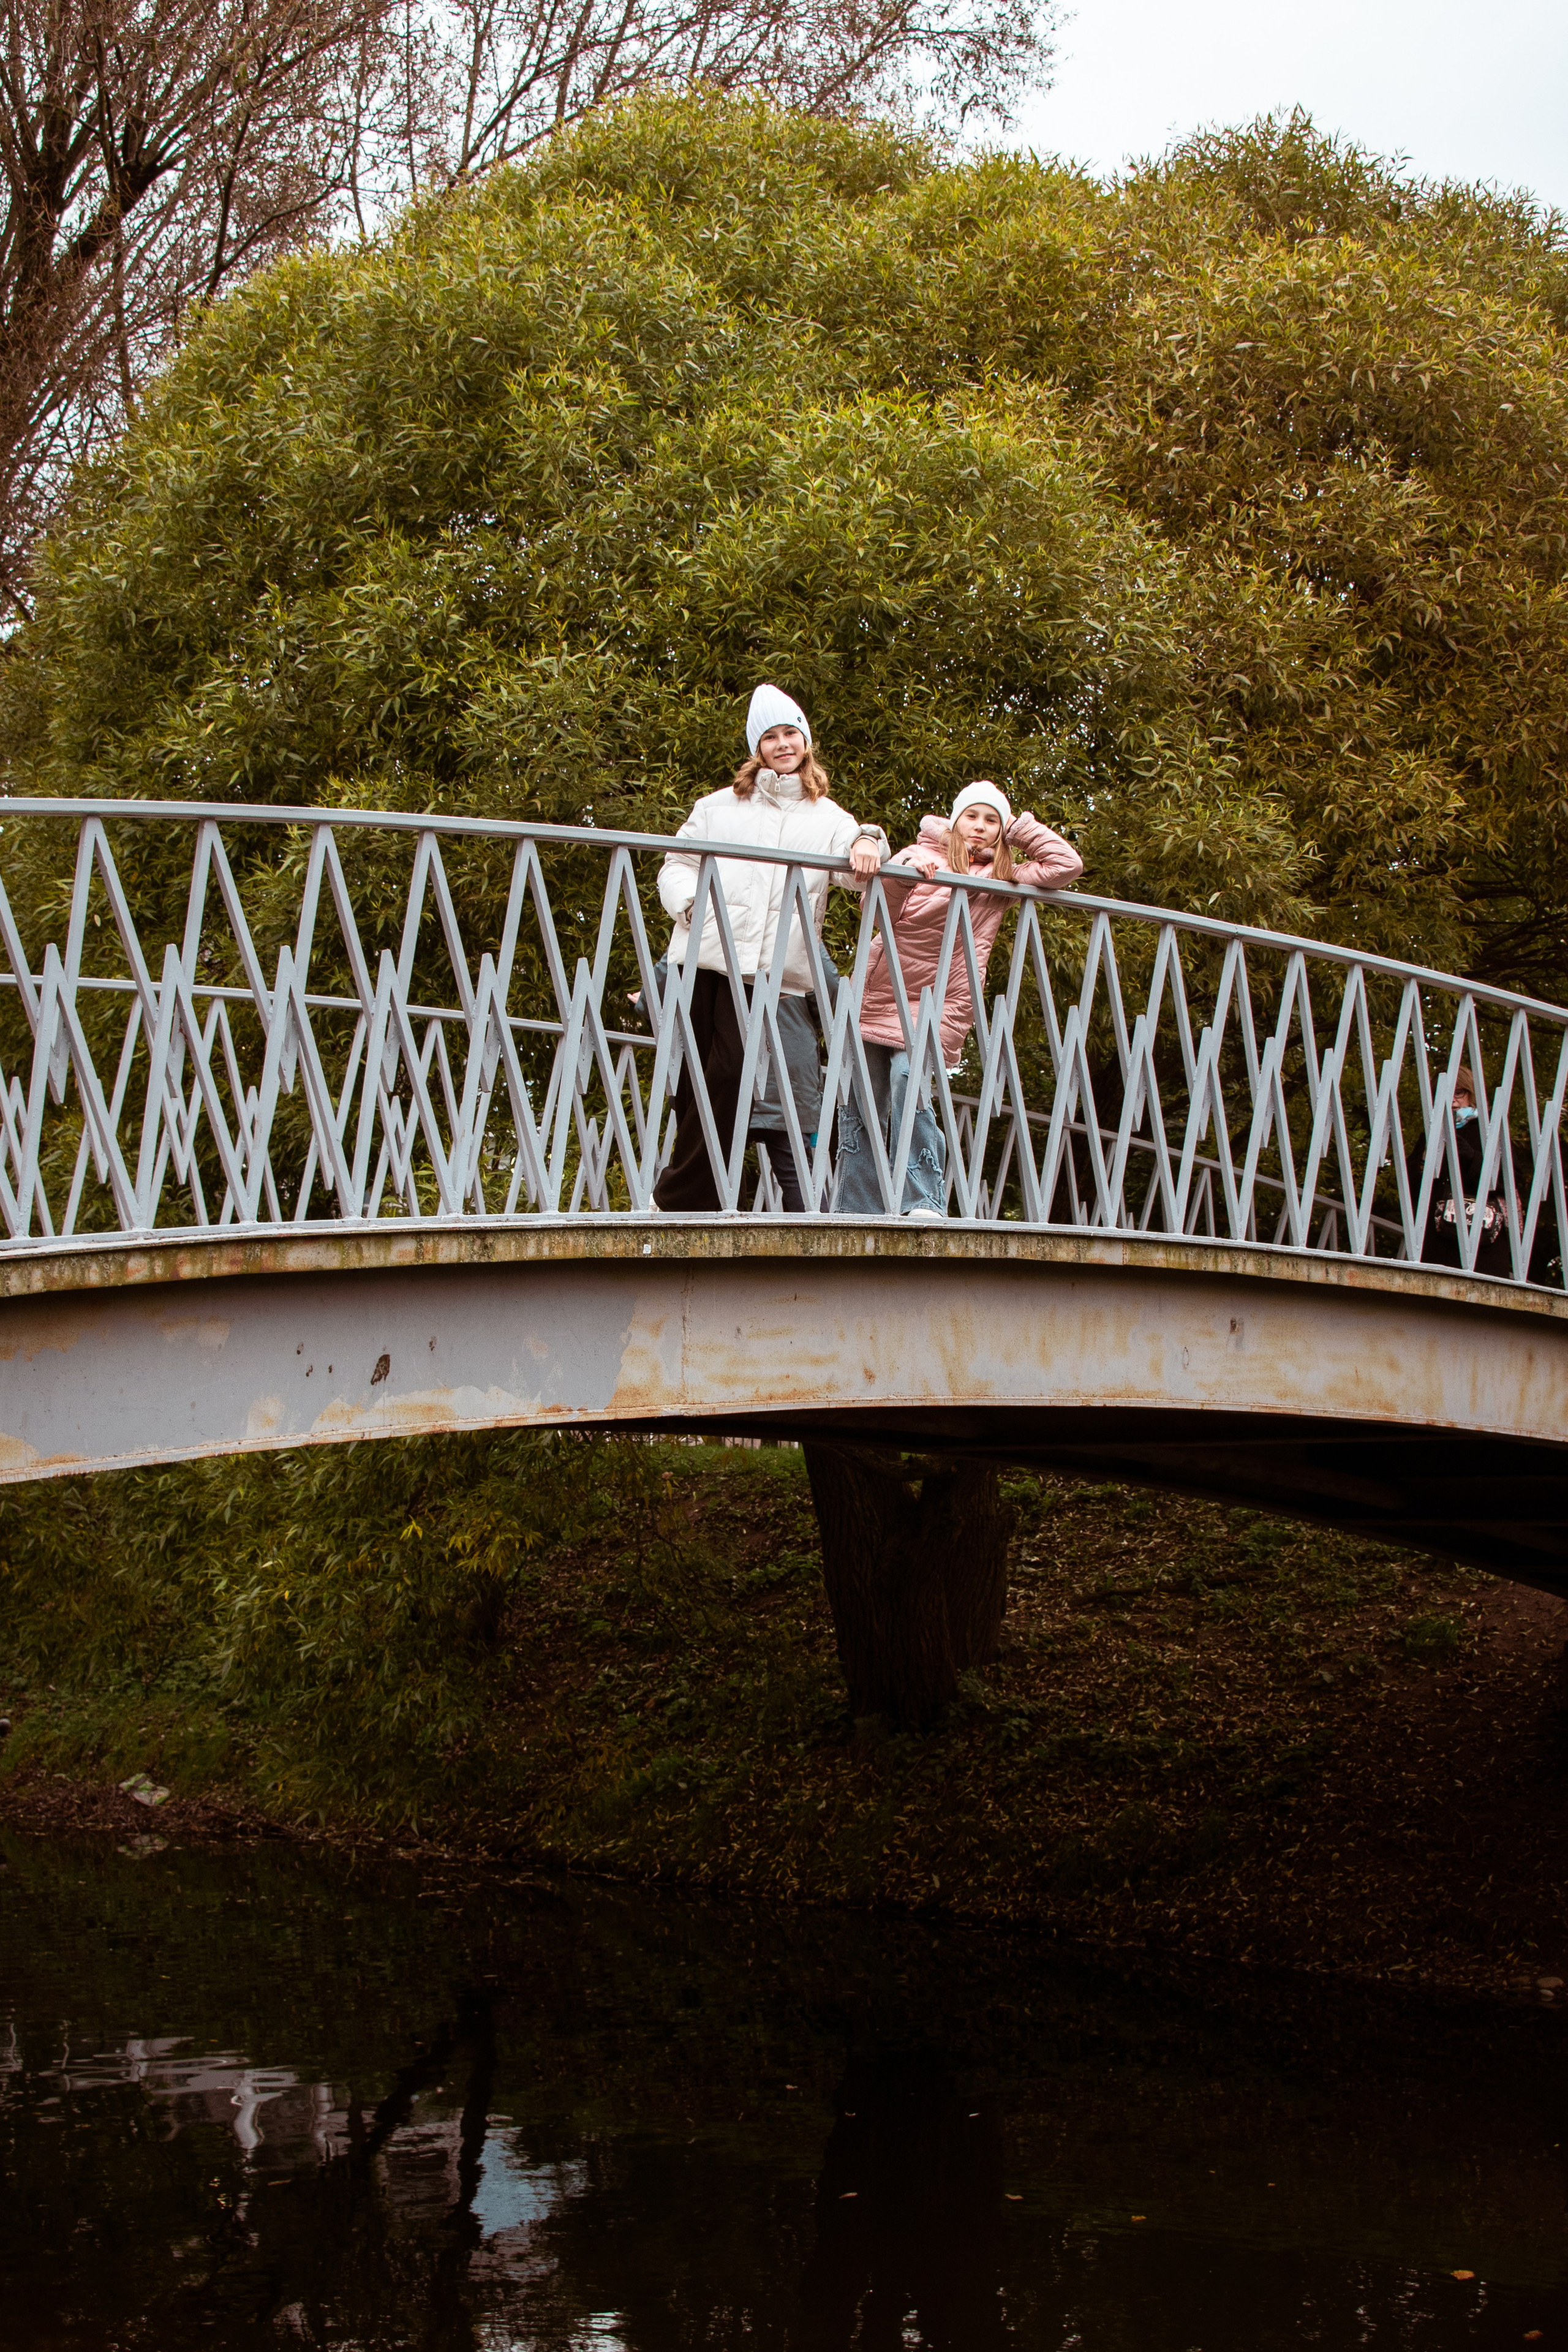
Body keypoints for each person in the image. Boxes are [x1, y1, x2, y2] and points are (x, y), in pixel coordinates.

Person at [652, 685, 888, 1211]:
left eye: (790, 733)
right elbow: (677, 862)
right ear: (757, 747)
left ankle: (680, 1195)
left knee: (732, 1071)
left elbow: (855, 867)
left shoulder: (828, 817)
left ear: (805, 740)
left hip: (765, 969)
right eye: (771, 736)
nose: (783, 744)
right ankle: (690, 1196)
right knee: (696, 1079)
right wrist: (691, 908)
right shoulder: (718, 806)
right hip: (704, 955)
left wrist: (869, 840)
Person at [830, 781, 1082, 1217]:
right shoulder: (922, 855)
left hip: (941, 998)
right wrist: (901, 874)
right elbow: (880, 913)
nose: (980, 828)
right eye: (972, 816)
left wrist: (1019, 829)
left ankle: (922, 1199)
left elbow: (1065, 865)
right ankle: (857, 1205)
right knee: (865, 1097)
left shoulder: (1003, 875)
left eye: (991, 821)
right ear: (954, 819)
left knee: (910, 1082)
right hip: (882, 986)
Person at [1407, 1064, 1519, 1278]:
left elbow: (1511, 1178)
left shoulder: (1489, 1130)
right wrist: (1423, 1160)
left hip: (1480, 1246)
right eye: (1445, 1094)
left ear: (1471, 1094)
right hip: (1437, 1243)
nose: (1453, 1099)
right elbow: (1410, 1186)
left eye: (1459, 1092)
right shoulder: (1430, 1134)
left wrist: (1471, 1157)